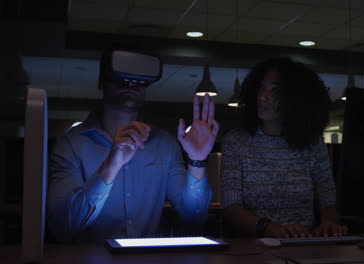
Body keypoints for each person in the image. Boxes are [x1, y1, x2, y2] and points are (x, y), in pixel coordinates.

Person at [47, 50, 219, 242]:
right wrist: (110, 166)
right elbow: (63, 226)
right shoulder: (70, 144)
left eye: (139, 79)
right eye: (121, 77)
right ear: (102, 82)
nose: (130, 83)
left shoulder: (165, 145)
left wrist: (197, 161)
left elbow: (194, 220)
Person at [221, 57, 347, 238]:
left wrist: (329, 224)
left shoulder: (313, 143)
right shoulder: (236, 142)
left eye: (275, 90)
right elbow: (230, 207)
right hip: (254, 250)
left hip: (306, 247)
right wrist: (271, 229)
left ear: (297, 98)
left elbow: (328, 201)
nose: (262, 95)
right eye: (261, 87)